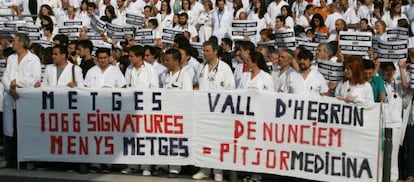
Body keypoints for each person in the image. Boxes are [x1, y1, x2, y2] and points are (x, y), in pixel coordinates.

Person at [192, 41, 235, 181]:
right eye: (203, 50)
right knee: (204, 141)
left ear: (215, 51)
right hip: (202, 111)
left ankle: (218, 171)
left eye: (207, 51)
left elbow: (231, 90)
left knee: (217, 142)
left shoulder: (225, 68)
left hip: (219, 112)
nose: (204, 53)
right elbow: (196, 84)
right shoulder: (201, 67)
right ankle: (204, 169)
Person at [1, 33, 42, 168]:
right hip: (10, 97)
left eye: (15, 41)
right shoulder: (11, 58)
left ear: (22, 43)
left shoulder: (33, 59)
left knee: (24, 130)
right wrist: (10, 88)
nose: (13, 43)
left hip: (25, 100)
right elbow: (5, 76)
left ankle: (26, 159)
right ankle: (9, 159)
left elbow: (34, 80)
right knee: (9, 130)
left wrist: (16, 82)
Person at [380, 61, 408, 182]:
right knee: (381, 151)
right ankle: (381, 174)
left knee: (394, 151)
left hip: (395, 123)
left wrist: (401, 68)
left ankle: (393, 177)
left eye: (391, 69)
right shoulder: (380, 82)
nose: (389, 72)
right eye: (386, 70)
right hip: (382, 122)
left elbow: (406, 84)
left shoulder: (398, 84)